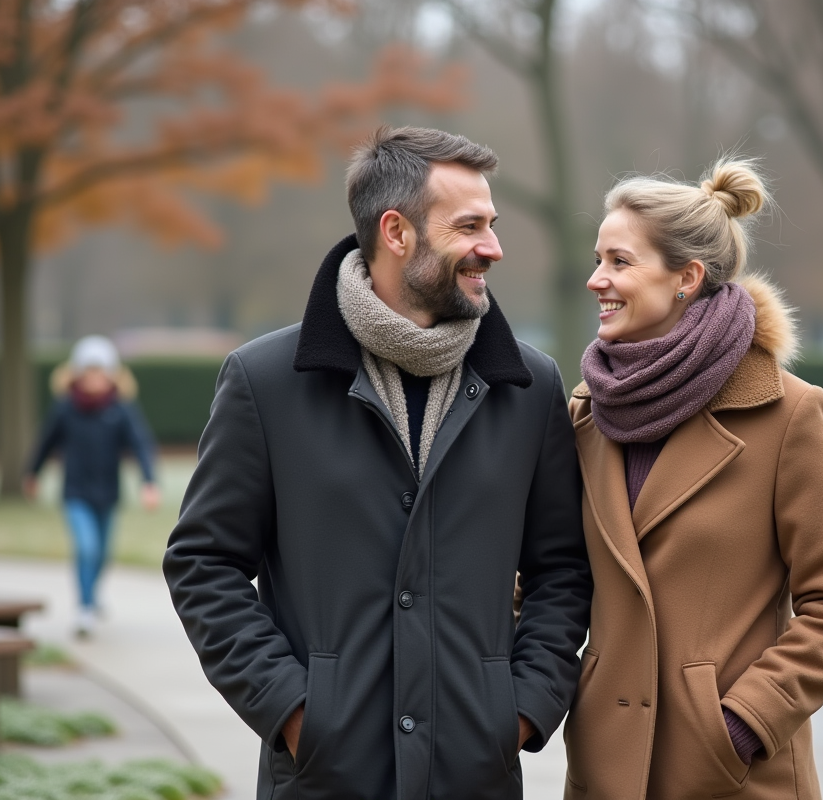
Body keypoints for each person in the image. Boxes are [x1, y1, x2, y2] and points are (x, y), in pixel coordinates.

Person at [163, 126, 592, 799]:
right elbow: (202, 563)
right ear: (396, 233)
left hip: (473, 779)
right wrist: (296, 712)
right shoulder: (265, 380)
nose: (494, 247)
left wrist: (518, 710)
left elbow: (562, 571)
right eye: (470, 226)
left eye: (493, 224)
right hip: (322, 780)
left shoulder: (529, 387)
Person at [562, 159, 823, 799]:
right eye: (598, 259)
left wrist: (741, 723)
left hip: (734, 777)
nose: (597, 279)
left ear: (687, 277)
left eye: (620, 262)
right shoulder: (585, 417)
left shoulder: (790, 414)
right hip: (605, 772)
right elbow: (552, 580)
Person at [26, 335, 160, 637]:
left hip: (108, 494)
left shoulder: (120, 409)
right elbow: (45, 443)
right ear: (77, 373)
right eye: (88, 372)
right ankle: (84, 608)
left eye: (100, 372)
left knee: (102, 554)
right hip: (75, 493)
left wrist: (149, 482)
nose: (94, 379)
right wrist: (32, 474)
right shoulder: (65, 408)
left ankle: (93, 593)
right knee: (86, 548)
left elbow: (140, 445)